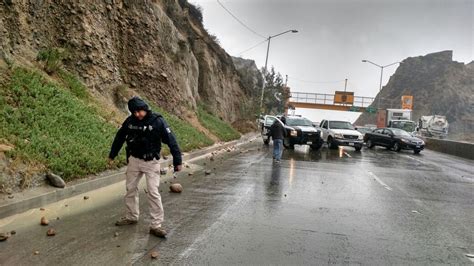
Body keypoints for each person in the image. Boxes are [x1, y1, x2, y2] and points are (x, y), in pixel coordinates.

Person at [108, 96, 182, 238]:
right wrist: (112, 155)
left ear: (145, 108)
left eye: (139, 111)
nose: (137, 115)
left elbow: (171, 140)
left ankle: (156, 225)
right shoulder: (130, 122)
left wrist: (178, 161)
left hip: (151, 162)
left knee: (153, 192)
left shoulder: (157, 121)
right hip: (134, 160)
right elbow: (119, 137)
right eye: (134, 112)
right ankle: (131, 216)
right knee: (130, 189)